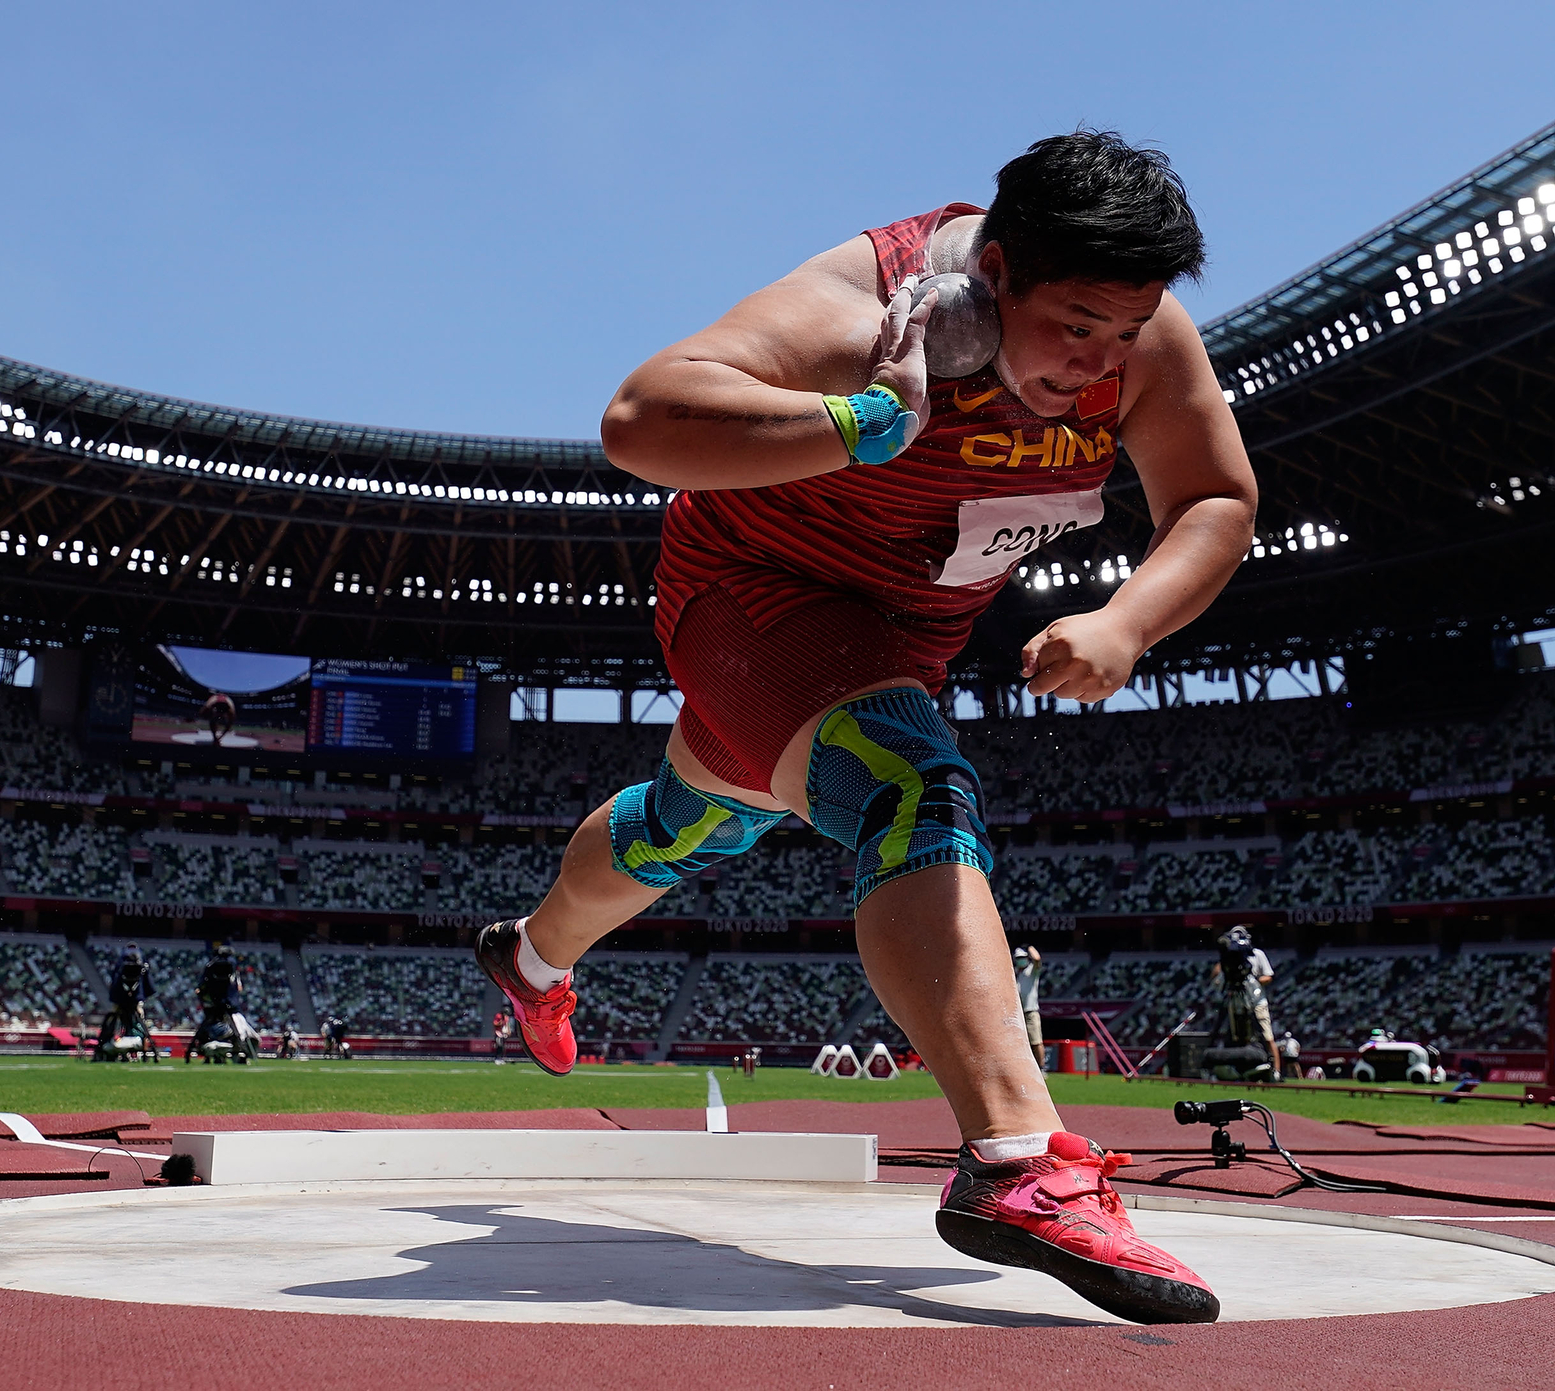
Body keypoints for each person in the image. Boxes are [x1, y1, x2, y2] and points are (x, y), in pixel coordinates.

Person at [473, 131, 1252, 1325]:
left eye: (1123, 330)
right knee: (912, 786)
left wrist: (1128, 621)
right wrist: (857, 420)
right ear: (992, 272)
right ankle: (1017, 1163)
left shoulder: (1140, 345)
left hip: (896, 641)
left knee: (691, 824)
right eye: (1073, 325)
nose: (1097, 362)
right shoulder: (862, 309)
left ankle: (531, 956)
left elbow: (1211, 496)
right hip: (752, 596)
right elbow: (641, 417)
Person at [1211, 925, 1280, 1080]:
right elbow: (1215, 977)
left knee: (1266, 1035)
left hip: (1256, 1000)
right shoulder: (1229, 958)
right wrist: (1223, 957)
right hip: (1236, 1001)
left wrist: (1252, 981)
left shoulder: (1257, 955)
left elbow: (1269, 976)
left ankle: (1276, 1071)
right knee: (1236, 1036)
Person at [96, 943, 155, 1061]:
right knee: (140, 1022)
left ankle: (103, 1048)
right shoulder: (141, 960)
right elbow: (147, 981)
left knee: (112, 1022)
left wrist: (115, 996)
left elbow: (115, 978)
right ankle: (144, 1053)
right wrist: (143, 995)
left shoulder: (121, 960)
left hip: (119, 998)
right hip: (136, 998)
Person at [186, 944, 243, 1063]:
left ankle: (203, 1053)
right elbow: (238, 987)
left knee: (208, 1026)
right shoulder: (233, 967)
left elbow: (202, 986)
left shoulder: (211, 966)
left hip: (213, 1003)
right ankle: (238, 1051)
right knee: (233, 1028)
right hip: (228, 1002)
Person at [1013, 946, 1045, 1068]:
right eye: (1018, 958)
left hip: (1031, 1012)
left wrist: (1029, 947)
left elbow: (1037, 959)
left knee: (1036, 1041)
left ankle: (1042, 1068)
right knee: (1019, 1043)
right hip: (1018, 1013)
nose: (1020, 960)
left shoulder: (1032, 970)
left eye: (1022, 958)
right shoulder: (1015, 972)